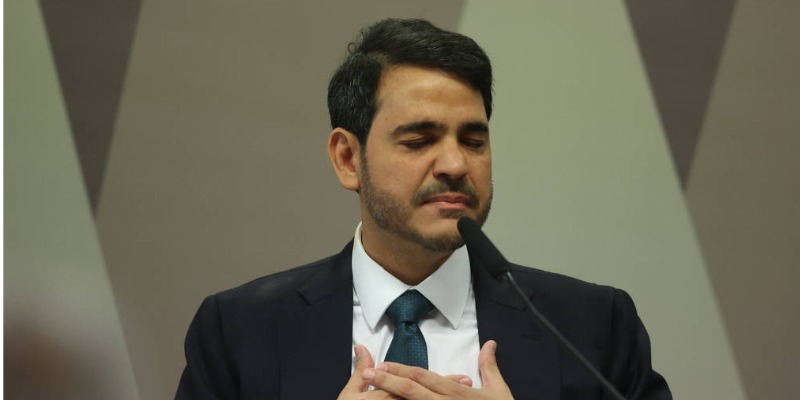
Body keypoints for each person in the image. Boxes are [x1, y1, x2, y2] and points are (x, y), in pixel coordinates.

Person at [175, 18, 671, 400]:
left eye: (473, 140)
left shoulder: (591, 328)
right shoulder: (240, 332)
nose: (455, 164)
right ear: (348, 159)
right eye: (419, 140)